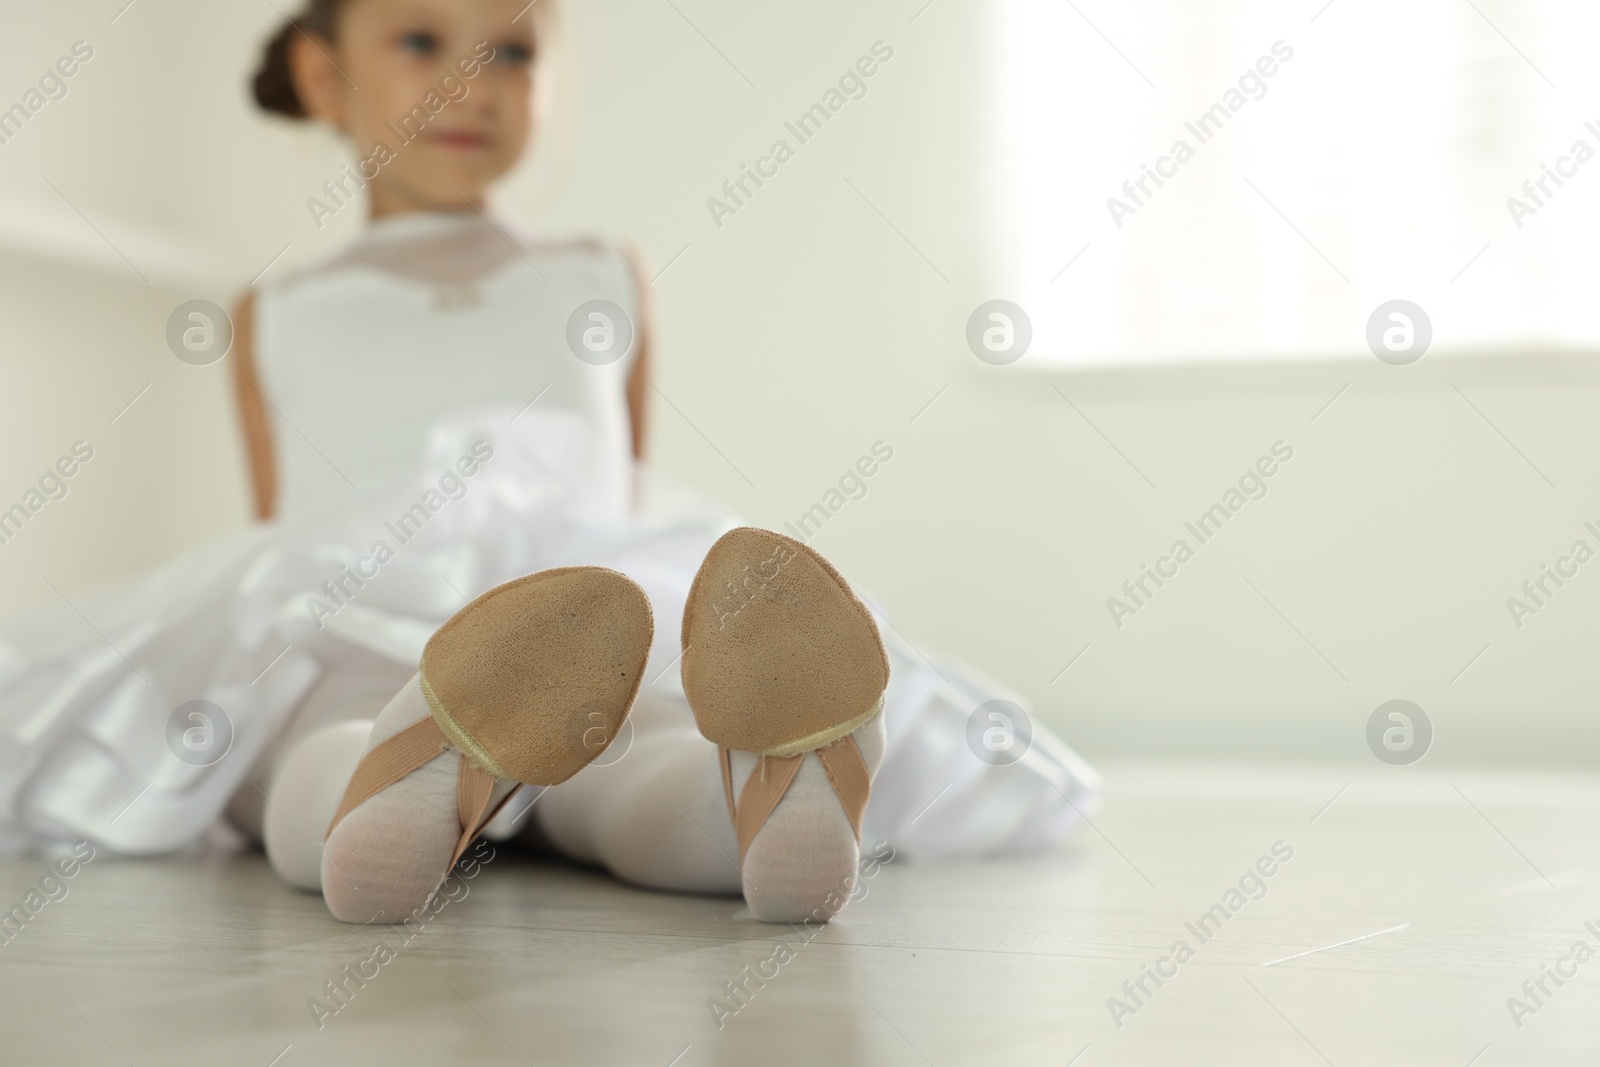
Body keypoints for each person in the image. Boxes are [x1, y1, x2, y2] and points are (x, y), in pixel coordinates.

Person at [0, 0, 1098, 926]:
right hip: (361, 591)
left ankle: (757, 804)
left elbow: (614, 481)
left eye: (515, 51)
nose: (474, 83)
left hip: (585, 617)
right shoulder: (279, 308)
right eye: (424, 43)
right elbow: (289, 520)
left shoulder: (598, 273)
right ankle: (416, 771)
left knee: (634, 733)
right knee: (323, 714)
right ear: (324, 77)